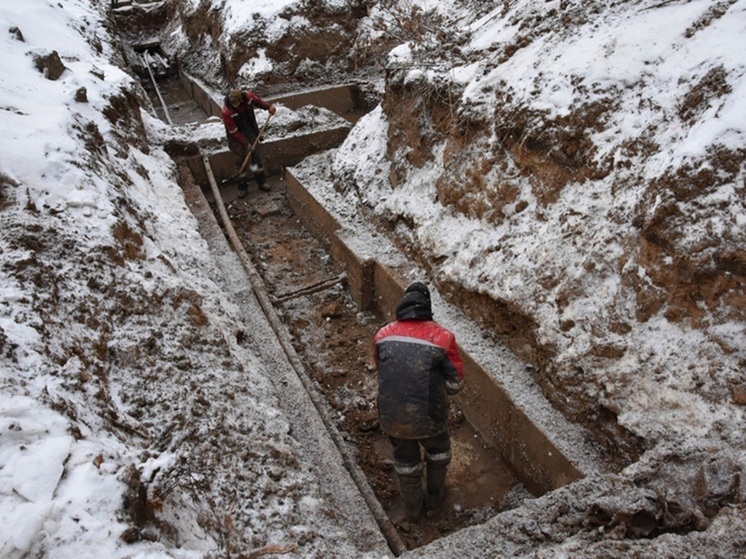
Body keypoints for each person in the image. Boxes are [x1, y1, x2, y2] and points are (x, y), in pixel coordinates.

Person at [373, 282, 465, 522]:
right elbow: (456, 384)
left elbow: (382, 369)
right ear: (428, 308)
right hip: (429, 415)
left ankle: (413, 510)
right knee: (438, 450)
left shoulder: (383, 335)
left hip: (391, 412)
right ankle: (435, 497)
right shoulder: (443, 337)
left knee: (405, 459)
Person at [221, 88, 276, 198]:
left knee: (256, 157)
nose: (235, 105)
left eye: (236, 102)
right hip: (235, 137)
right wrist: (246, 143)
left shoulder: (248, 96)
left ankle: (261, 182)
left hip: (249, 129)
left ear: (241, 100)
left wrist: (268, 107)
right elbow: (233, 131)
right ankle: (242, 188)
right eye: (233, 103)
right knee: (240, 161)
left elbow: (258, 101)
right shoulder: (227, 111)